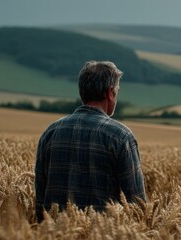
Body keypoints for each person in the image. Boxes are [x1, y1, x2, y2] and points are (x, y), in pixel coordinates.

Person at [35, 61, 146, 222]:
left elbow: (40, 201)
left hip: (54, 233)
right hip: (101, 232)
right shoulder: (121, 136)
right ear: (110, 93)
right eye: (117, 91)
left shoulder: (50, 132)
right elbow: (138, 204)